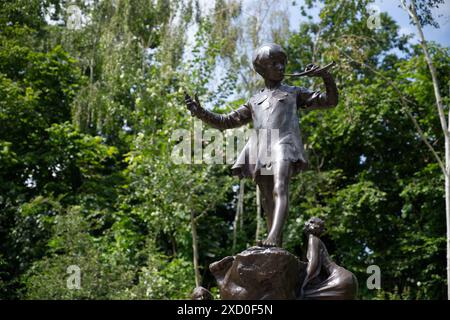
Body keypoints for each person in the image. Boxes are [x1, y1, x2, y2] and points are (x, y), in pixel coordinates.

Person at [184, 43, 338, 247]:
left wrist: (326, 77)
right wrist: (200, 112)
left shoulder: (293, 92)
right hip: (261, 148)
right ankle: (275, 244)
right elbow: (226, 121)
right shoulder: (254, 100)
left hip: (284, 143)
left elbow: (330, 101)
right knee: (267, 200)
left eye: (283, 63)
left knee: (280, 187)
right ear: (262, 69)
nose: (281, 68)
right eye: (275, 64)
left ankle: (273, 237)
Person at [300, 217, 358, 300]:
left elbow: (313, 265)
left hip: (339, 280)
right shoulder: (317, 240)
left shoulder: (313, 239)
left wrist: (302, 283)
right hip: (347, 279)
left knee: (302, 295)